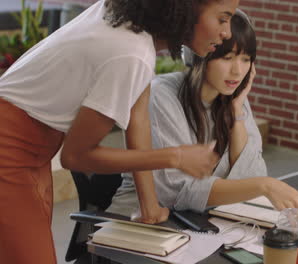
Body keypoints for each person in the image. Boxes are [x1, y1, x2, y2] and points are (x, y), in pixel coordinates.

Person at [0, 0, 240, 263]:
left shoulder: (130, 27)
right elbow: (76, 157)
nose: (227, 32)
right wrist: (175, 157)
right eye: (222, 19)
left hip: (31, 152)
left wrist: (149, 206)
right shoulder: (131, 52)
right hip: (9, 150)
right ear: (188, 8)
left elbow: (137, 118)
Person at [108, 10, 298, 228]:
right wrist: (264, 186)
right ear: (200, 56)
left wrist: (236, 114)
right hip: (138, 224)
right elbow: (178, 192)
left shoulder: (232, 97)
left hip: (197, 223)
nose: (237, 71)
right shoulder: (160, 96)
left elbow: (251, 176)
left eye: (246, 59)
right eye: (227, 58)